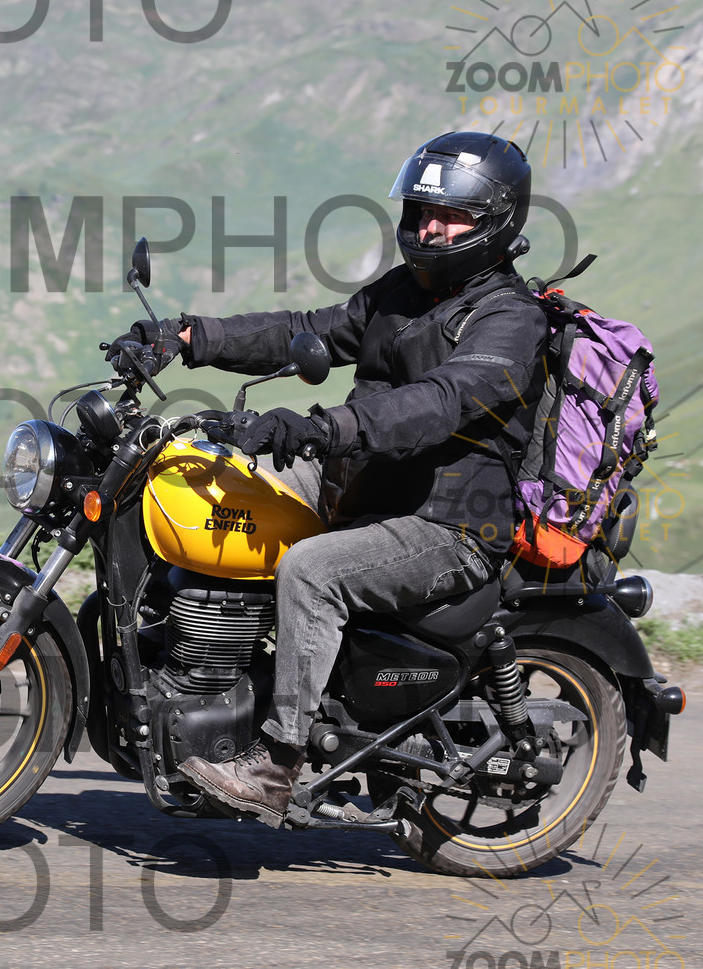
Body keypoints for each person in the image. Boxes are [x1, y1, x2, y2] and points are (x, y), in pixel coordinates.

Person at [107, 131, 548, 826]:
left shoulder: (511, 320)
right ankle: (187, 666)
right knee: (203, 474)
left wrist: (319, 428)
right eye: (423, 211)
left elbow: (436, 404)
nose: (430, 228)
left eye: (452, 216)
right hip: (368, 481)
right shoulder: (405, 291)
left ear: (495, 222)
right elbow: (306, 329)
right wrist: (190, 338)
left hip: (449, 522)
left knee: (310, 572)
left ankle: (275, 766)